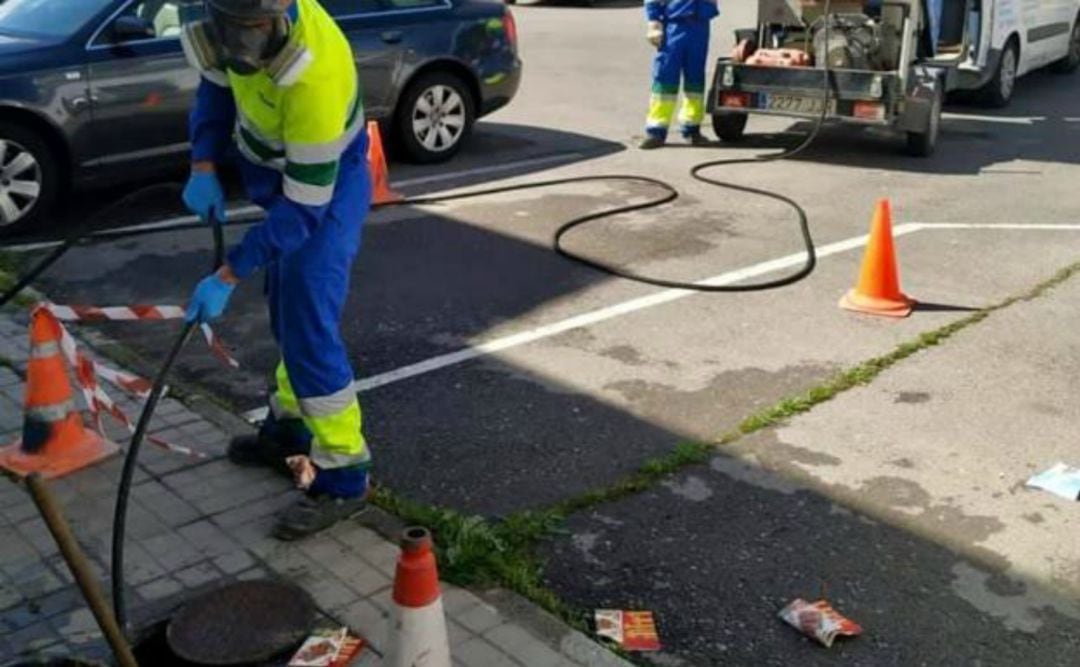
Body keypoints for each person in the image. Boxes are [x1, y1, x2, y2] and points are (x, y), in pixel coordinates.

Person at [179, 0, 372, 540]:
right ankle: (287, 430)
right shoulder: (221, 19)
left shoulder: (315, 74)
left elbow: (304, 211)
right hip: (279, 184)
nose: (243, 44)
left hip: (324, 194)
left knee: (308, 324)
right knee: (286, 310)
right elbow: (216, 90)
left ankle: (345, 475)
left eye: (254, 32)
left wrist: (227, 274)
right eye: (234, 30)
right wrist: (202, 164)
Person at [641, 0, 719, 149]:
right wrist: (654, 21)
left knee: (695, 81)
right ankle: (656, 131)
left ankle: (692, 128)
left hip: (700, 24)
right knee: (665, 78)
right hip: (674, 25)